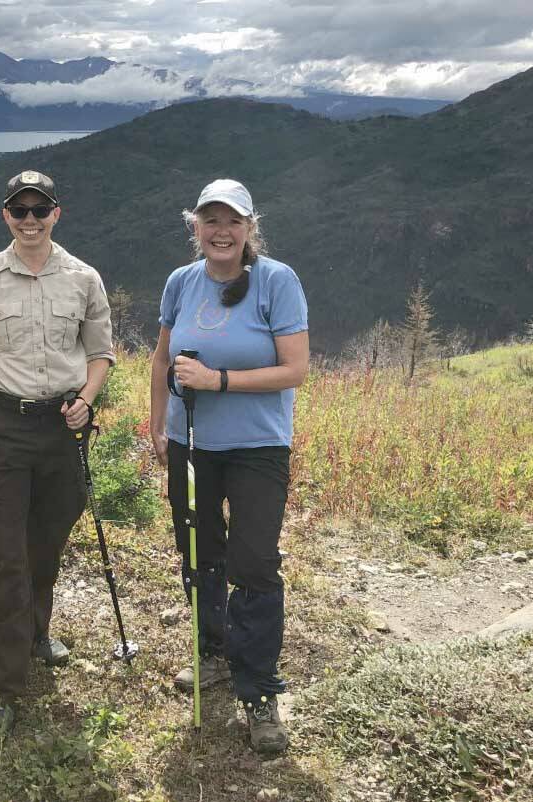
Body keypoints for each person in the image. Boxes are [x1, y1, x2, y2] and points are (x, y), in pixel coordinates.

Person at [0, 169, 115, 737]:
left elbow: (100, 354)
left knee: (46, 544)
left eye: (38, 210)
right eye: (19, 211)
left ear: (55, 214)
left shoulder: (84, 279)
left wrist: (87, 401)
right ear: (5, 216)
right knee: (6, 556)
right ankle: (2, 688)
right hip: (1, 427)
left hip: (61, 428)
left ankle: (37, 633)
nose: (29, 220)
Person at [148, 178, 309, 755]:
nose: (221, 231)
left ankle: (259, 686)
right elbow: (162, 356)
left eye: (232, 221)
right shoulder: (181, 283)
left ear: (249, 228)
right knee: (198, 550)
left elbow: (294, 370)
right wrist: (156, 423)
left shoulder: (277, 281)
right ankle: (213, 652)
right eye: (209, 220)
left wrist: (218, 381)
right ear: (195, 226)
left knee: (255, 560)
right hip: (189, 441)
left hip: (258, 446)